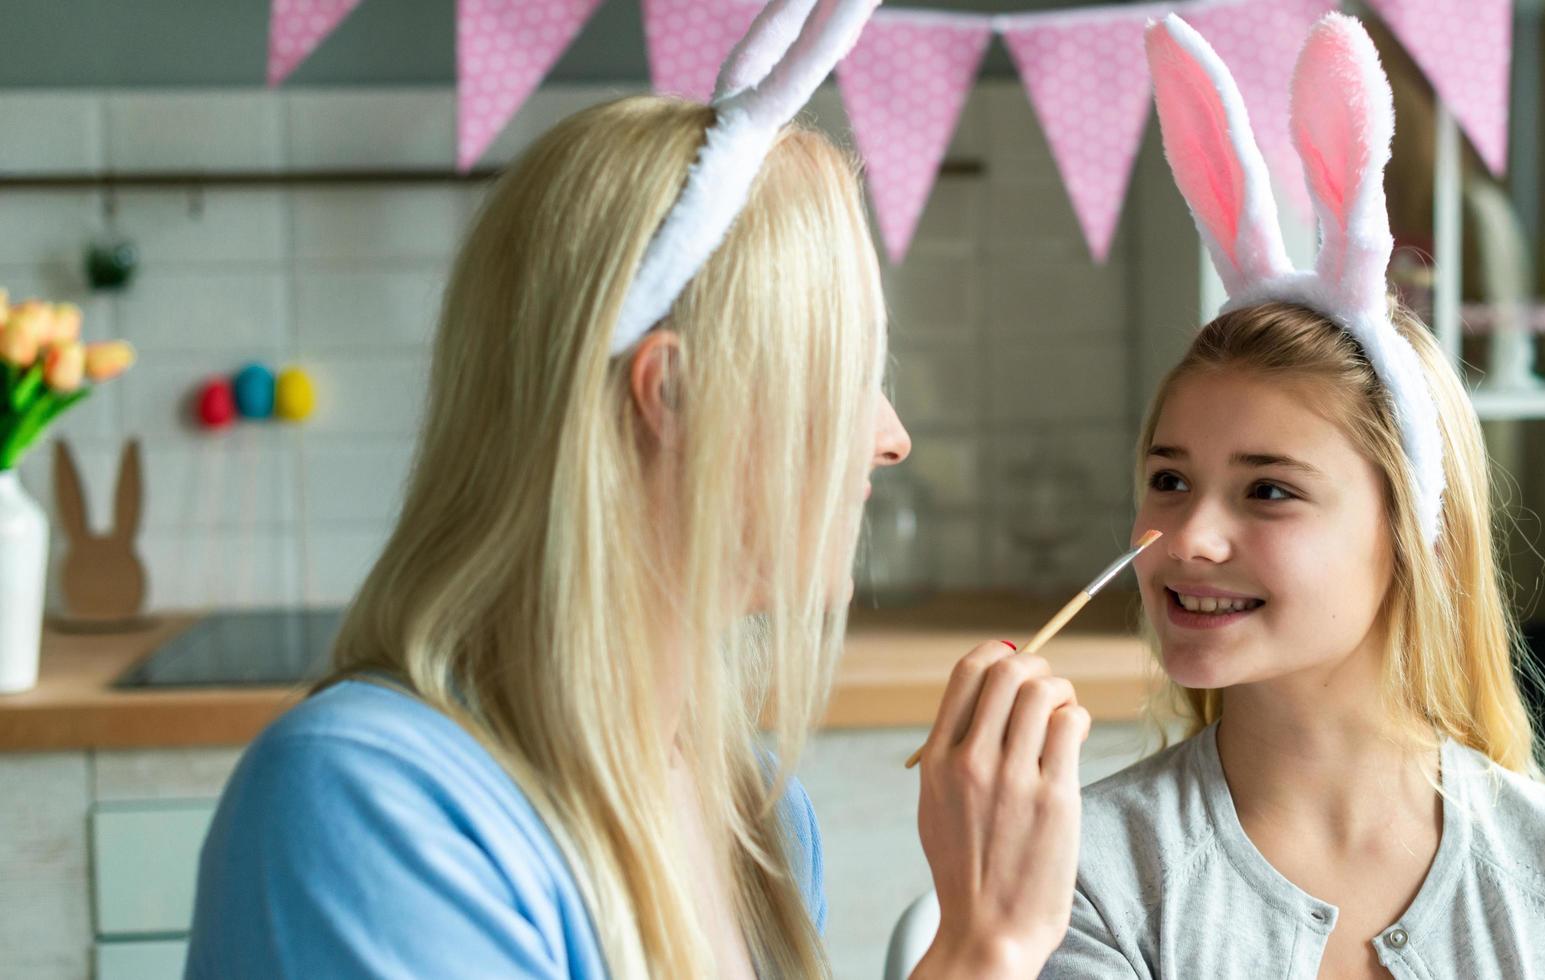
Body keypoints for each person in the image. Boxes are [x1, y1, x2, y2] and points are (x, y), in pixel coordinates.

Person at [186, 2, 1087, 977]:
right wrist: (980, 949)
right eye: (842, 370)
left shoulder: (754, 808)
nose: (890, 436)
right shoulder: (367, 802)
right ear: (672, 395)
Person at [1041, 13, 1545, 979]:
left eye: (1268, 490)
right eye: (1169, 479)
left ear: (1415, 533)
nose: (1185, 536)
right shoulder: (1086, 877)